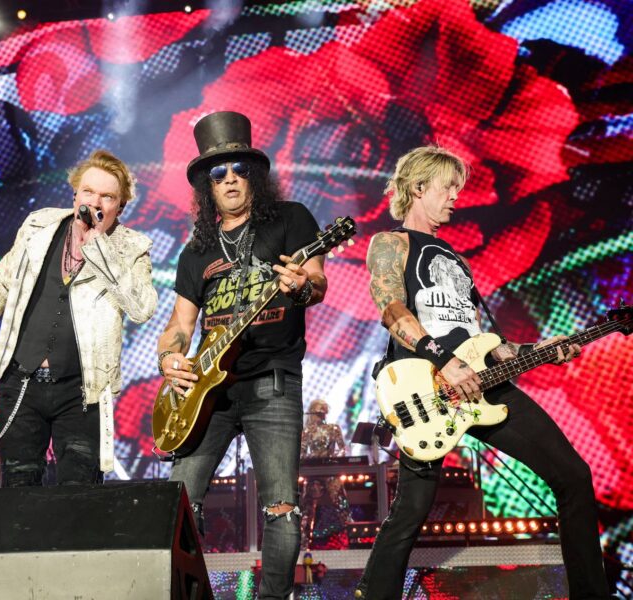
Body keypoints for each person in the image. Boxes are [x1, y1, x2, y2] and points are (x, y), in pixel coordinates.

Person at [355, 146, 610, 599]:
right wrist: (444, 361)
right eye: (448, 188)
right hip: (426, 388)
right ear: (418, 188)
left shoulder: (458, 260)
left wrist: (538, 350)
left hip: (482, 384)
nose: (456, 197)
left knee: (573, 475)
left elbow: (486, 343)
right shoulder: (393, 244)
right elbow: (391, 310)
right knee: (411, 510)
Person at [157, 111, 328, 599]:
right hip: (207, 393)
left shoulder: (290, 219)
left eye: (239, 169)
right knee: (177, 503)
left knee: (281, 509)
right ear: (206, 186)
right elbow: (179, 326)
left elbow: (317, 282)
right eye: (218, 173)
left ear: (254, 176)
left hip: (271, 380)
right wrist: (169, 359)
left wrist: (301, 286)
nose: (230, 179)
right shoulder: (197, 251)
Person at [0, 149, 157, 487]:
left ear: (120, 207)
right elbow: (0, 283)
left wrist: (100, 249)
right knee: (18, 488)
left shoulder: (132, 248)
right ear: (75, 195)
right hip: (21, 381)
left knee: (78, 492)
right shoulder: (39, 226)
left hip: (83, 391)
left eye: (107, 196)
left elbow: (142, 308)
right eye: (88, 191)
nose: (95, 201)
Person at [300, 399, 351, 549]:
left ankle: (349, 539)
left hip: (330, 471)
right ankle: (304, 544)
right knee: (307, 509)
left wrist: (333, 458)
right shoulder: (307, 431)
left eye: (322, 413)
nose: (320, 416)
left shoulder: (333, 428)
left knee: (341, 505)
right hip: (314, 473)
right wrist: (309, 458)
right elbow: (301, 452)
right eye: (317, 413)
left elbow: (342, 449)